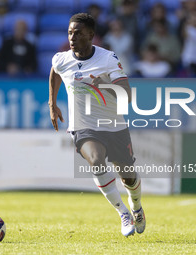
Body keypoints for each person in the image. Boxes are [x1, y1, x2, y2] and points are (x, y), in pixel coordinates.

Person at [48, 13, 145, 237]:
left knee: (128, 176)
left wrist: (105, 85)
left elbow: (127, 96)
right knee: (96, 160)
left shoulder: (108, 59)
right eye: (70, 32)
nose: (72, 37)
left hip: (113, 125)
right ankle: (123, 213)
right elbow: (55, 71)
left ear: (91, 35)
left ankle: (136, 206)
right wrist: (52, 103)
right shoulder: (61, 59)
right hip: (83, 126)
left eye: (78, 33)